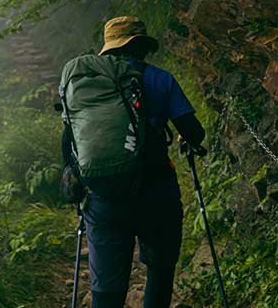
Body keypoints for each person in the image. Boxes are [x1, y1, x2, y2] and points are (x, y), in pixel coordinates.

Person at [61, 16, 205, 308]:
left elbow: (70, 140)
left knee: (107, 287)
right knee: (160, 270)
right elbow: (193, 132)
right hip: (157, 193)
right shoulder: (160, 78)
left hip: (105, 198)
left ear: (109, 48)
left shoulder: (86, 86)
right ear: (140, 45)